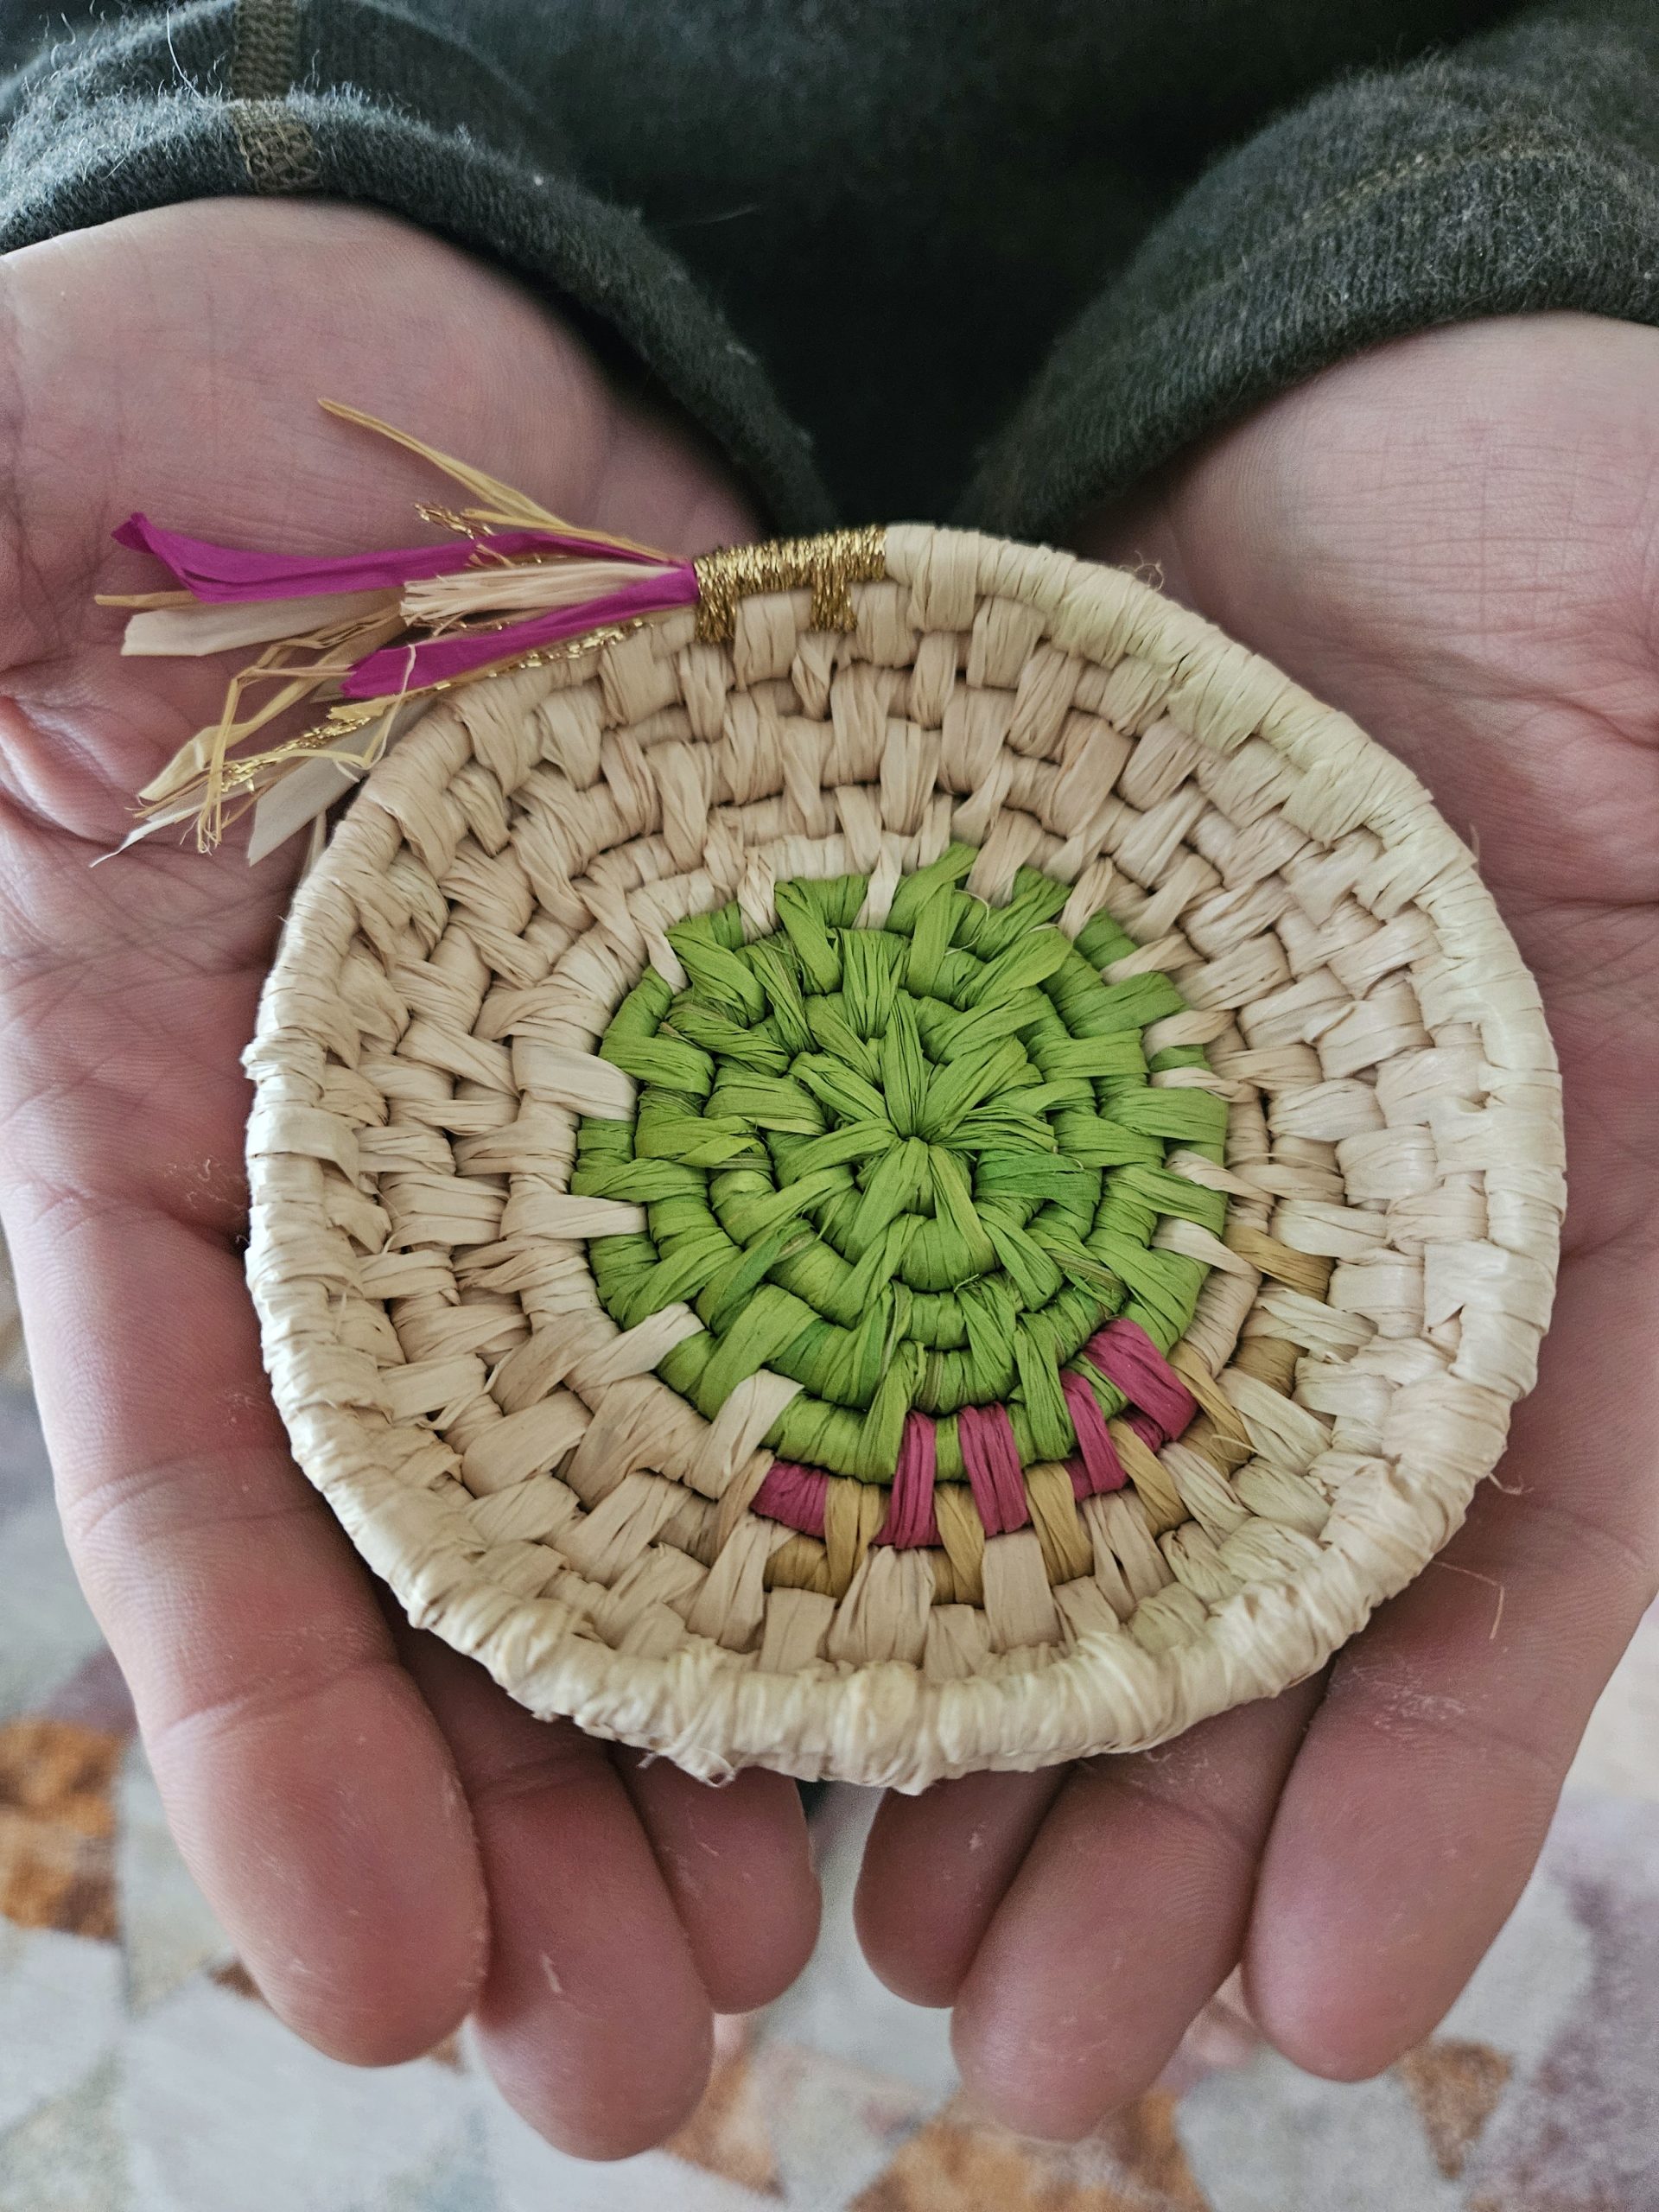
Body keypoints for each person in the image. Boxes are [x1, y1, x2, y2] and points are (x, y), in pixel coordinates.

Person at [0, 0, 1654, 2164]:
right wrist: (213, 141)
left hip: (1324, 478)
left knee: (1029, 1779)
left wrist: (1545, 229)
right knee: (582, 1751)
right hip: (433, 524)